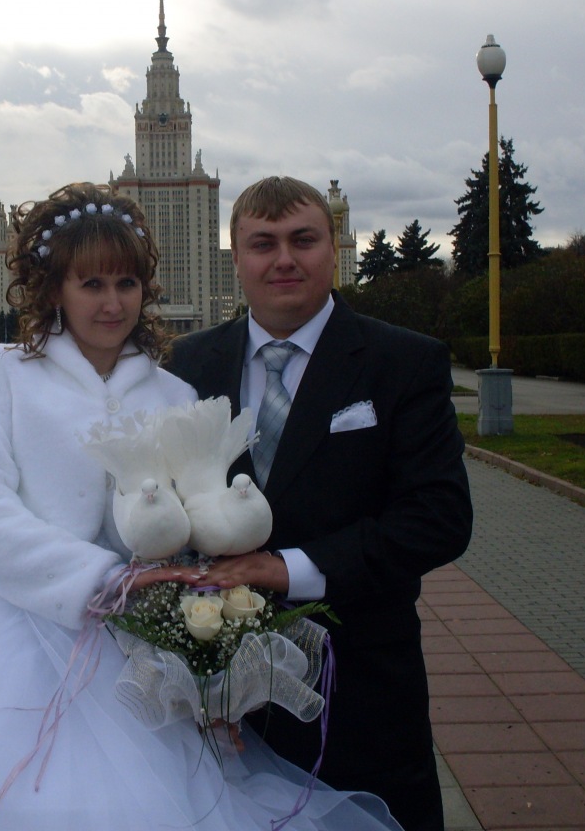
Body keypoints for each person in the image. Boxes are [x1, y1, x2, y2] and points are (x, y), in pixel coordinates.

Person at [0, 183, 401, 831]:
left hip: (137, 655)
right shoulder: (2, 373)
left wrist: (211, 665)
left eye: (126, 283)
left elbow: (193, 529)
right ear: (54, 289)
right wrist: (100, 581)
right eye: (91, 284)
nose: (112, 302)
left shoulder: (174, 393)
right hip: (2, 639)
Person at [168, 176, 474, 831]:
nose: (284, 259)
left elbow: (439, 518)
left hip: (358, 695)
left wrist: (286, 570)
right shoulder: (186, 365)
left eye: (302, 240)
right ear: (235, 257)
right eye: (263, 244)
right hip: (218, 705)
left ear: (332, 248)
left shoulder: (403, 362)